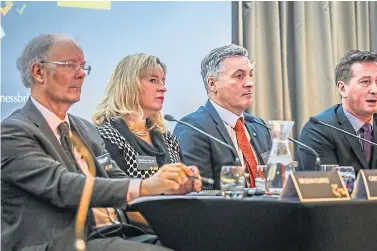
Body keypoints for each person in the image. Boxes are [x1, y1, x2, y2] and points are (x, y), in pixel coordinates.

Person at [1, 34, 200, 251]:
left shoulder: (85, 129)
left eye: (83, 67)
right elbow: (62, 186)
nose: (80, 75)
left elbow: (115, 178)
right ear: (38, 72)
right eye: (70, 65)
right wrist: (146, 185)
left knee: (206, 242)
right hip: (62, 243)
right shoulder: (13, 132)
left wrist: (168, 188)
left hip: (115, 233)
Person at [92, 53, 200, 230]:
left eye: (163, 81)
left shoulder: (168, 138)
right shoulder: (108, 136)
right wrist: (172, 227)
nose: (163, 88)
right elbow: (118, 200)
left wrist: (188, 183)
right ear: (128, 85)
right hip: (136, 233)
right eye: (153, 80)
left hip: (178, 225)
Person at [297, 49, 377, 172]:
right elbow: (325, 187)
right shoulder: (319, 129)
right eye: (365, 82)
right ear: (342, 89)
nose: (375, 90)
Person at [173, 44, 272, 189]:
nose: (250, 83)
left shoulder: (259, 126)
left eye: (250, 75)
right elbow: (198, 194)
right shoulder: (193, 129)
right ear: (212, 84)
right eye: (239, 76)